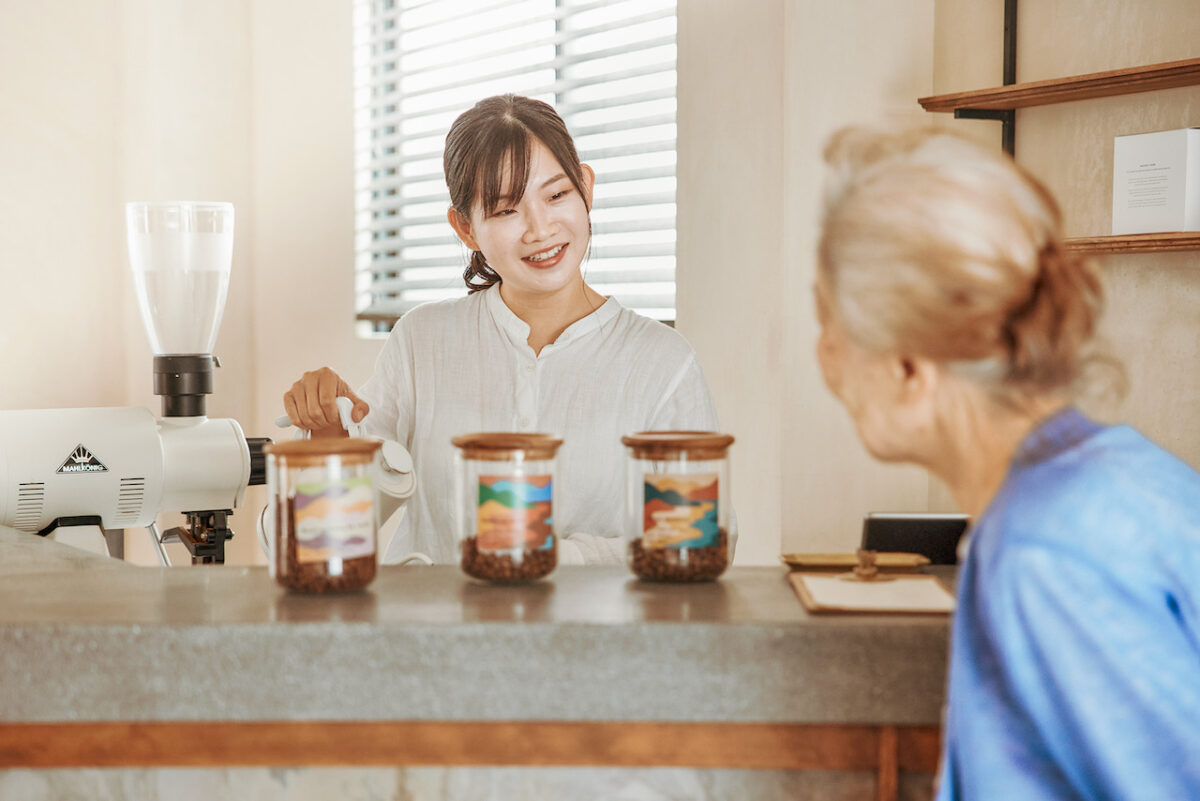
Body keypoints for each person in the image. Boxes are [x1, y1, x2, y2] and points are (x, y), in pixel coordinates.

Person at [813, 127, 1200, 799]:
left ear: (910, 366)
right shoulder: (1113, 480)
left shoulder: (1044, 553)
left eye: (830, 325)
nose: (822, 357)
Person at [282, 94, 722, 565]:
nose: (539, 229)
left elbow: (694, 545)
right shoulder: (421, 342)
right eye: (505, 210)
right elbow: (328, 536)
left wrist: (552, 559)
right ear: (465, 228)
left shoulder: (662, 363)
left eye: (556, 195)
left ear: (586, 188)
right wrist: (328, 432)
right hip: (426, 634)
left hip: (584, 638)